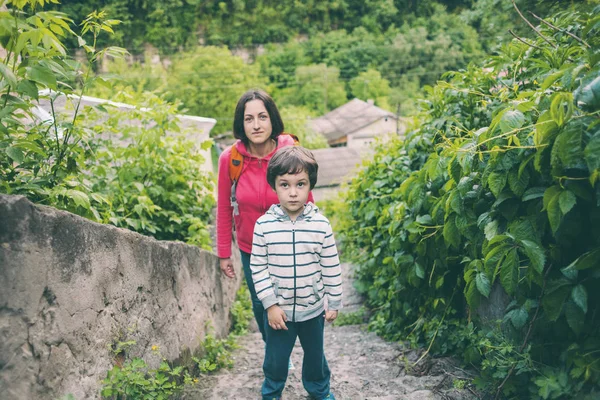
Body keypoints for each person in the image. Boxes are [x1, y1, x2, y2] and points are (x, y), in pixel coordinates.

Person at [217, 89, 314, 348]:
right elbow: (224, 207)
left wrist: (314, 241)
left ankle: (303, 347)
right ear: (241, 123)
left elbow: (307, 197)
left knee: (297, 297)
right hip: (252, 249)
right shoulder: (231, 159)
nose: (256, 125)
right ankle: (276, 350)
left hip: (290, 241)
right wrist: (224, 252)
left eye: (262, 116)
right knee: (261, 302)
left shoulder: (289, 151)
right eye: (249, 119)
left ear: (273, 119)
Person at [250, 146, 342, 400]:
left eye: (300, 184)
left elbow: (331, 265)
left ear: (310, 185)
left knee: (315, 357)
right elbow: (257, 267)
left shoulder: (321, 225)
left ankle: (319, 392)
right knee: (276, 360)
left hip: (312, 309)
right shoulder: (263, 226)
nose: (293, 192)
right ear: (274, 186)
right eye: (285, 184)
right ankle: (271, 393)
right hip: (280, 313)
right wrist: (270, 305)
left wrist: (333, 301)